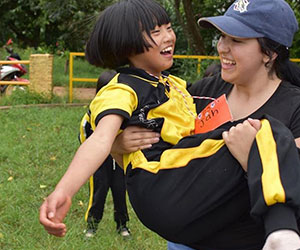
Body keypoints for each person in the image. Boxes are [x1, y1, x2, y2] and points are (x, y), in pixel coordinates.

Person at [39, 0, 300, 249]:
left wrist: (250, 157)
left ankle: (281, 232)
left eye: (237, 40)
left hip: (244, 241)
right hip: (179, 225)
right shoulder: (194, 93)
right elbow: (111, 139)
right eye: (222, 37)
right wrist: (117, 146)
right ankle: (281, 231)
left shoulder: (293, 105)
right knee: (263, 132)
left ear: (270, 52)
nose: (222, 47)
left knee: (264, 132)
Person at [80, 70, 130, 238]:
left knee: (120, 191)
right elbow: (84, 135)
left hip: (119, 161)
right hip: (99, 162)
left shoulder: (124, 112)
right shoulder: (92, 113)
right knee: (98, 191)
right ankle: (92, 226)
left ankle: (122, 225)